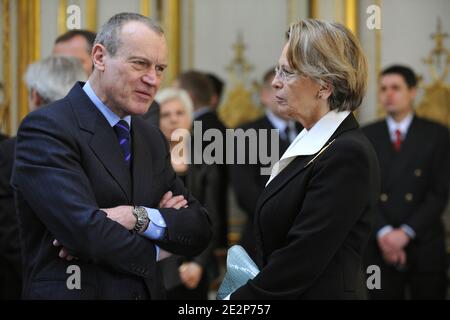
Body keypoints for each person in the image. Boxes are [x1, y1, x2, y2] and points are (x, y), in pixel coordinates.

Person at [12, 12, 211, 300]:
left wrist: (136, 217)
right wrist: (163, 244)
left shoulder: (150, 138)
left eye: (160, 68)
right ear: (100, 57)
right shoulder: (47, 127)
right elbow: (87, 234)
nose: (152, 79)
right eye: (140, 64)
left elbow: (199, 228)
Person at [225, 19, 380, 300]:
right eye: (277, 70)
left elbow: (304, 256)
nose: (275, 82)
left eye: (287, 72)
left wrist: (238, 302)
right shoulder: (312, 140)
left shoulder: (346, 152)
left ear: (324, 86)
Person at [0, 55, 87, 300]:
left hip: (32, 284)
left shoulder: (10, 152)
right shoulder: (102, 145)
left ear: (35, 95)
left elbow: (12, 236)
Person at [363, 65, 450, 300]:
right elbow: (361, 192)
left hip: (424, 243)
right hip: (377, 246)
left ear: (412, 92)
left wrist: (405, 233)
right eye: (383, 89)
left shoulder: (438, 135)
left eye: (396, 88)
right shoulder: (366, 135)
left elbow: (439, 193)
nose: (388, 94)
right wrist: (385, 233)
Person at [230, 68, 301, 259]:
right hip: (263, 239)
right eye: (278, 88)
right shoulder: (245, 135)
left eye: (290, 88)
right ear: (264, 95)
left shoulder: (309, 131)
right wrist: (284, 219)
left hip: (304, 239)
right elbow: (245, 193)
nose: (285, 94)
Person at [156, 88, 220, 299]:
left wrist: (197, 263)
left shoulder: (206, 161)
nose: (174, 119)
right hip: (157, 266)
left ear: (190, 118)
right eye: (166, 114)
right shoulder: (147, 161)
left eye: (179, 113)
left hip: (195, 266)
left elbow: (212, 214)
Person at [177, 71, 229, 250]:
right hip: (218, 225)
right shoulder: (221, 127)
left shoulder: (193, 132)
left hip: (196, 231)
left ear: (188, 97)